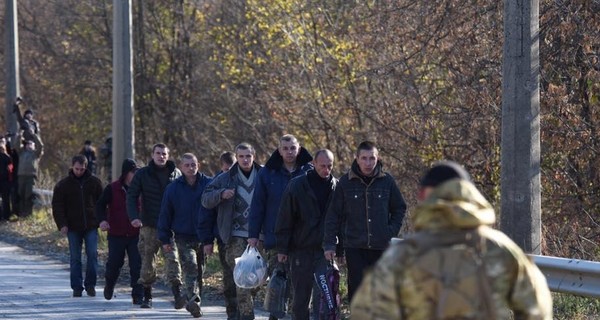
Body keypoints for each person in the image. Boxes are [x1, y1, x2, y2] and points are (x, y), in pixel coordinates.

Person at [350, 161, 554, 319]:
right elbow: (537, 308)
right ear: (470, 194)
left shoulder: (403, 254)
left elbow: (367, 312)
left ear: (424, 196)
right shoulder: (501, 249)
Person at [323, 140, 407, 302]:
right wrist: (330, 245)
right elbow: (333, 215)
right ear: (357, 158)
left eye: (372, 158)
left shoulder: (387, 181)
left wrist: (389, 232)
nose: (368, 163)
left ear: (378, 158)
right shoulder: (346, 183)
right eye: (364, 158)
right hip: (355, 246)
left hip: (381, 247)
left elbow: (399, 208)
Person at [248, 134, 313, 320]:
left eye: (293, 148)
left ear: (299, 149)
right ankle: (275, 316)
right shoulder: (268, 172)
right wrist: (253, 235)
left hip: (303, 237)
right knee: (278, 281)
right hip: (275, 236)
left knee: (300, 284)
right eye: (285, 148)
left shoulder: (309, 170)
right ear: (279, 150)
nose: (289, 152)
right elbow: (258, 205)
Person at [202, 142, 262, 320]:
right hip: (235, 236)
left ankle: (245, 303)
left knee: (260, 276)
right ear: (237, 157)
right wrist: (221, 194)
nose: (245, 159)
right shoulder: (226, 177)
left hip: (260, 235)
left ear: (254, 156)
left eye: (248, 156)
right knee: (243, 278)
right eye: (241, 156)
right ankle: (246, 315)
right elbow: (205, 199)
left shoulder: (264, 175)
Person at [276, 149, 337, 320]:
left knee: (324, 299)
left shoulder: (336, 186)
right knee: (300, 300)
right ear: (313, 164)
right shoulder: (297, 186)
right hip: (300, 250)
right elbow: (285, 217)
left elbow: (342, 220)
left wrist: (339, 250)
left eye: (329, 166)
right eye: (322, 166)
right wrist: (282, 248)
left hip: (324, 251)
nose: (326, 170)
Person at [126, 143, 183, 309]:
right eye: (158, 153)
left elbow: (182, 198)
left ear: (168, 155)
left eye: (164, 153)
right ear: (153, 155)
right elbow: (131, 196)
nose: (161, 156)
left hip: (170, 226)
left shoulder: (176, 174)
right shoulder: (143, 174)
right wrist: (134, 217)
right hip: (149, 225)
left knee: (173, 260)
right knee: (147, 262)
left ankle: (177, 294)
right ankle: (147, 296)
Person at [158, 153, 214, 318]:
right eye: (187, 165)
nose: (191, 168)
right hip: (183, 236)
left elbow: (216, 210)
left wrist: (213, 236)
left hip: (204, 236)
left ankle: (194, 299)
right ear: (181, 167)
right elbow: (165, 214)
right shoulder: (173, 188)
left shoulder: (208, 184)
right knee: (190, 267)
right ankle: (194, 301)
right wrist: (165, 237)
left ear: (198, 165)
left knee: (199, 271)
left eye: (193, 164)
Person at [52, 155, 103, 297]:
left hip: (91, 225)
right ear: (72, 167)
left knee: (92, 255)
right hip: (72, 227)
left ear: (86, 167)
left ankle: (91, 285)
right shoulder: (63, 185)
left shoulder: (95, 183)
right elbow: (57, 206)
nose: (79, 171)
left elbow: (102, 203)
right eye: (76, 169)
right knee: (75, 257)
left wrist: (102, 220)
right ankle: (76, 287)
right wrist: (62, 224)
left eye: (82, 169)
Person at [96, 158, 143, 305]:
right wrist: (103, 220)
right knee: (114, 264)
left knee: (137, 265)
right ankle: (109, 285)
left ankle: (137, 295)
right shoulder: (112, 188)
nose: (135, 174)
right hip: (116, 234)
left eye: (137, 171)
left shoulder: (142, 189)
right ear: (125, 173)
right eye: (133, 171)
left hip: (136, 234)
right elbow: (100, 206)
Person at [15, 132, 44, 217]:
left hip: (31, 176)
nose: (28, 145)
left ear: (33, 145)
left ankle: (27, 214)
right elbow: (17, 145)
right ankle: (21, 213)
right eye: (27, 144)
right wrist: (20, 135)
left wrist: (34, 135)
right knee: (21, 194)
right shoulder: (21, 152)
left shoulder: (36, 154)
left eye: (30, 144)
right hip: (21, 176)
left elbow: (41, 146)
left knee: (28, 195)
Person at [0, 144, 13, 221]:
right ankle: (6, 216)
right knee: (5, 200)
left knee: (4, 200)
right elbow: (10, 170)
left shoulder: (7, 157)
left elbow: (10, 169)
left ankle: (3, 216)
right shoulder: (8, 157)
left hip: (4, 181)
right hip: (5, 181)